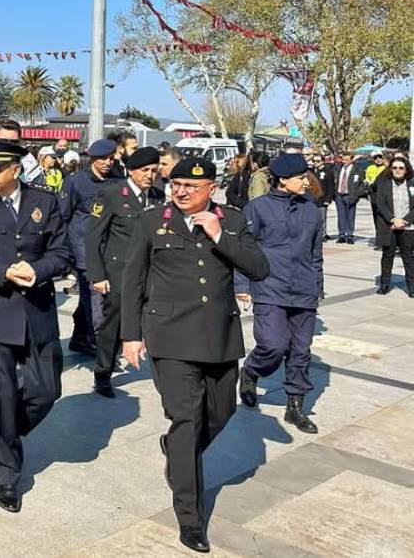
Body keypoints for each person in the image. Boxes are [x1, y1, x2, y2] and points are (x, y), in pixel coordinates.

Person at [120, 157, 269, 553]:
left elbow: (259, 268)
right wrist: (130, 336)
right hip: (170, 337)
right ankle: (190, 517)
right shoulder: (154, 222)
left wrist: (221, 236)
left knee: (221, 413)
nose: (181, 191)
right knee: (187, 418)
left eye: (191, 186)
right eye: (176, 184)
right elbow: (132, 279)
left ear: (212, 188)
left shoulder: (232, 221)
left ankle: (177, 452)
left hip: (219, 337)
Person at [0, 138, 72, 513]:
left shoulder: (45, 202)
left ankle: (9, 429)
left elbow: (63, 252)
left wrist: (37, 270)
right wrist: (3, 272)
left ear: (15, 170)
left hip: (37, 308)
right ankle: (6, 474)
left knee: (47, 388)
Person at [236, 153, 323, 435]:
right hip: (269, 286)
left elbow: (316, 252)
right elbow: (244, 249)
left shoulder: (312, 209)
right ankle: (251, 370)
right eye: (301, 178)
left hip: (303, 288)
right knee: (273, 344)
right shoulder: (257, 208)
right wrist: (241, 285)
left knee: (300, 350)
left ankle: (295, 406)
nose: (306, 182)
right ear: (283, 180)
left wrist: (318, 285)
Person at [85, 147, 164, 398]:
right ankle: (103, 372)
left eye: (154, 170)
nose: (150, 175)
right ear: (132, 171)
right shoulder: (112, 194)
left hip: (150, 273)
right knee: (113, 324)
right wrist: (97, 276)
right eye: (145, 171)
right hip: (119, 271)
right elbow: (93, 236)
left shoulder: (159, 197)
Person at [59, 138, 117, 355]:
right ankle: (101, 346)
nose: (107, 162)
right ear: (92, 159)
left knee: (91, 299)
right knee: (95, 301)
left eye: (111, 158)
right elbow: (63, 217)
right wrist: (65, 253)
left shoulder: (117, 182)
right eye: (102, 158)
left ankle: (80, 339)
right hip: (83, 251)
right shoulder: (75, 182)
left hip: (109, 250)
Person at [371, 156, 414, 296]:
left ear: (406, 170)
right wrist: (393, 219)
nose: (398, 170)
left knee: (408, 256)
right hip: (389, 225)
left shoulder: (412, 183)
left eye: (401, 168)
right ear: (390, 169)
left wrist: (405, 220)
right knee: (387, 255)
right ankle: (384, 284)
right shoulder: (384, 184)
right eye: (394, 167)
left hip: (407, 226)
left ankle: (412, 287)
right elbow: (380, 204)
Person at [333, 154, 367, 243]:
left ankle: (350, 235)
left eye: (347, 159)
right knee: (341, 216)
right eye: (343, 159)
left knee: (350, 216)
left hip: (350, 195)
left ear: (352, 160)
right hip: (339, 195)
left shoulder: (358, 169)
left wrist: (357, 194)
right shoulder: (339, 168)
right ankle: (341, 235)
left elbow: (363, 184)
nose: (344, 161)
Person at [313, 154, 337, 240]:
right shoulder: (312, 171)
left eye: (318, 161)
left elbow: (331, 187)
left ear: (323, 161)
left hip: (322, 199)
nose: (315, 163)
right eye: (314, 161)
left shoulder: (328, 172)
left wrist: (328, 199)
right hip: (312, 199)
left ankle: (322, 235)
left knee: (322, 219)